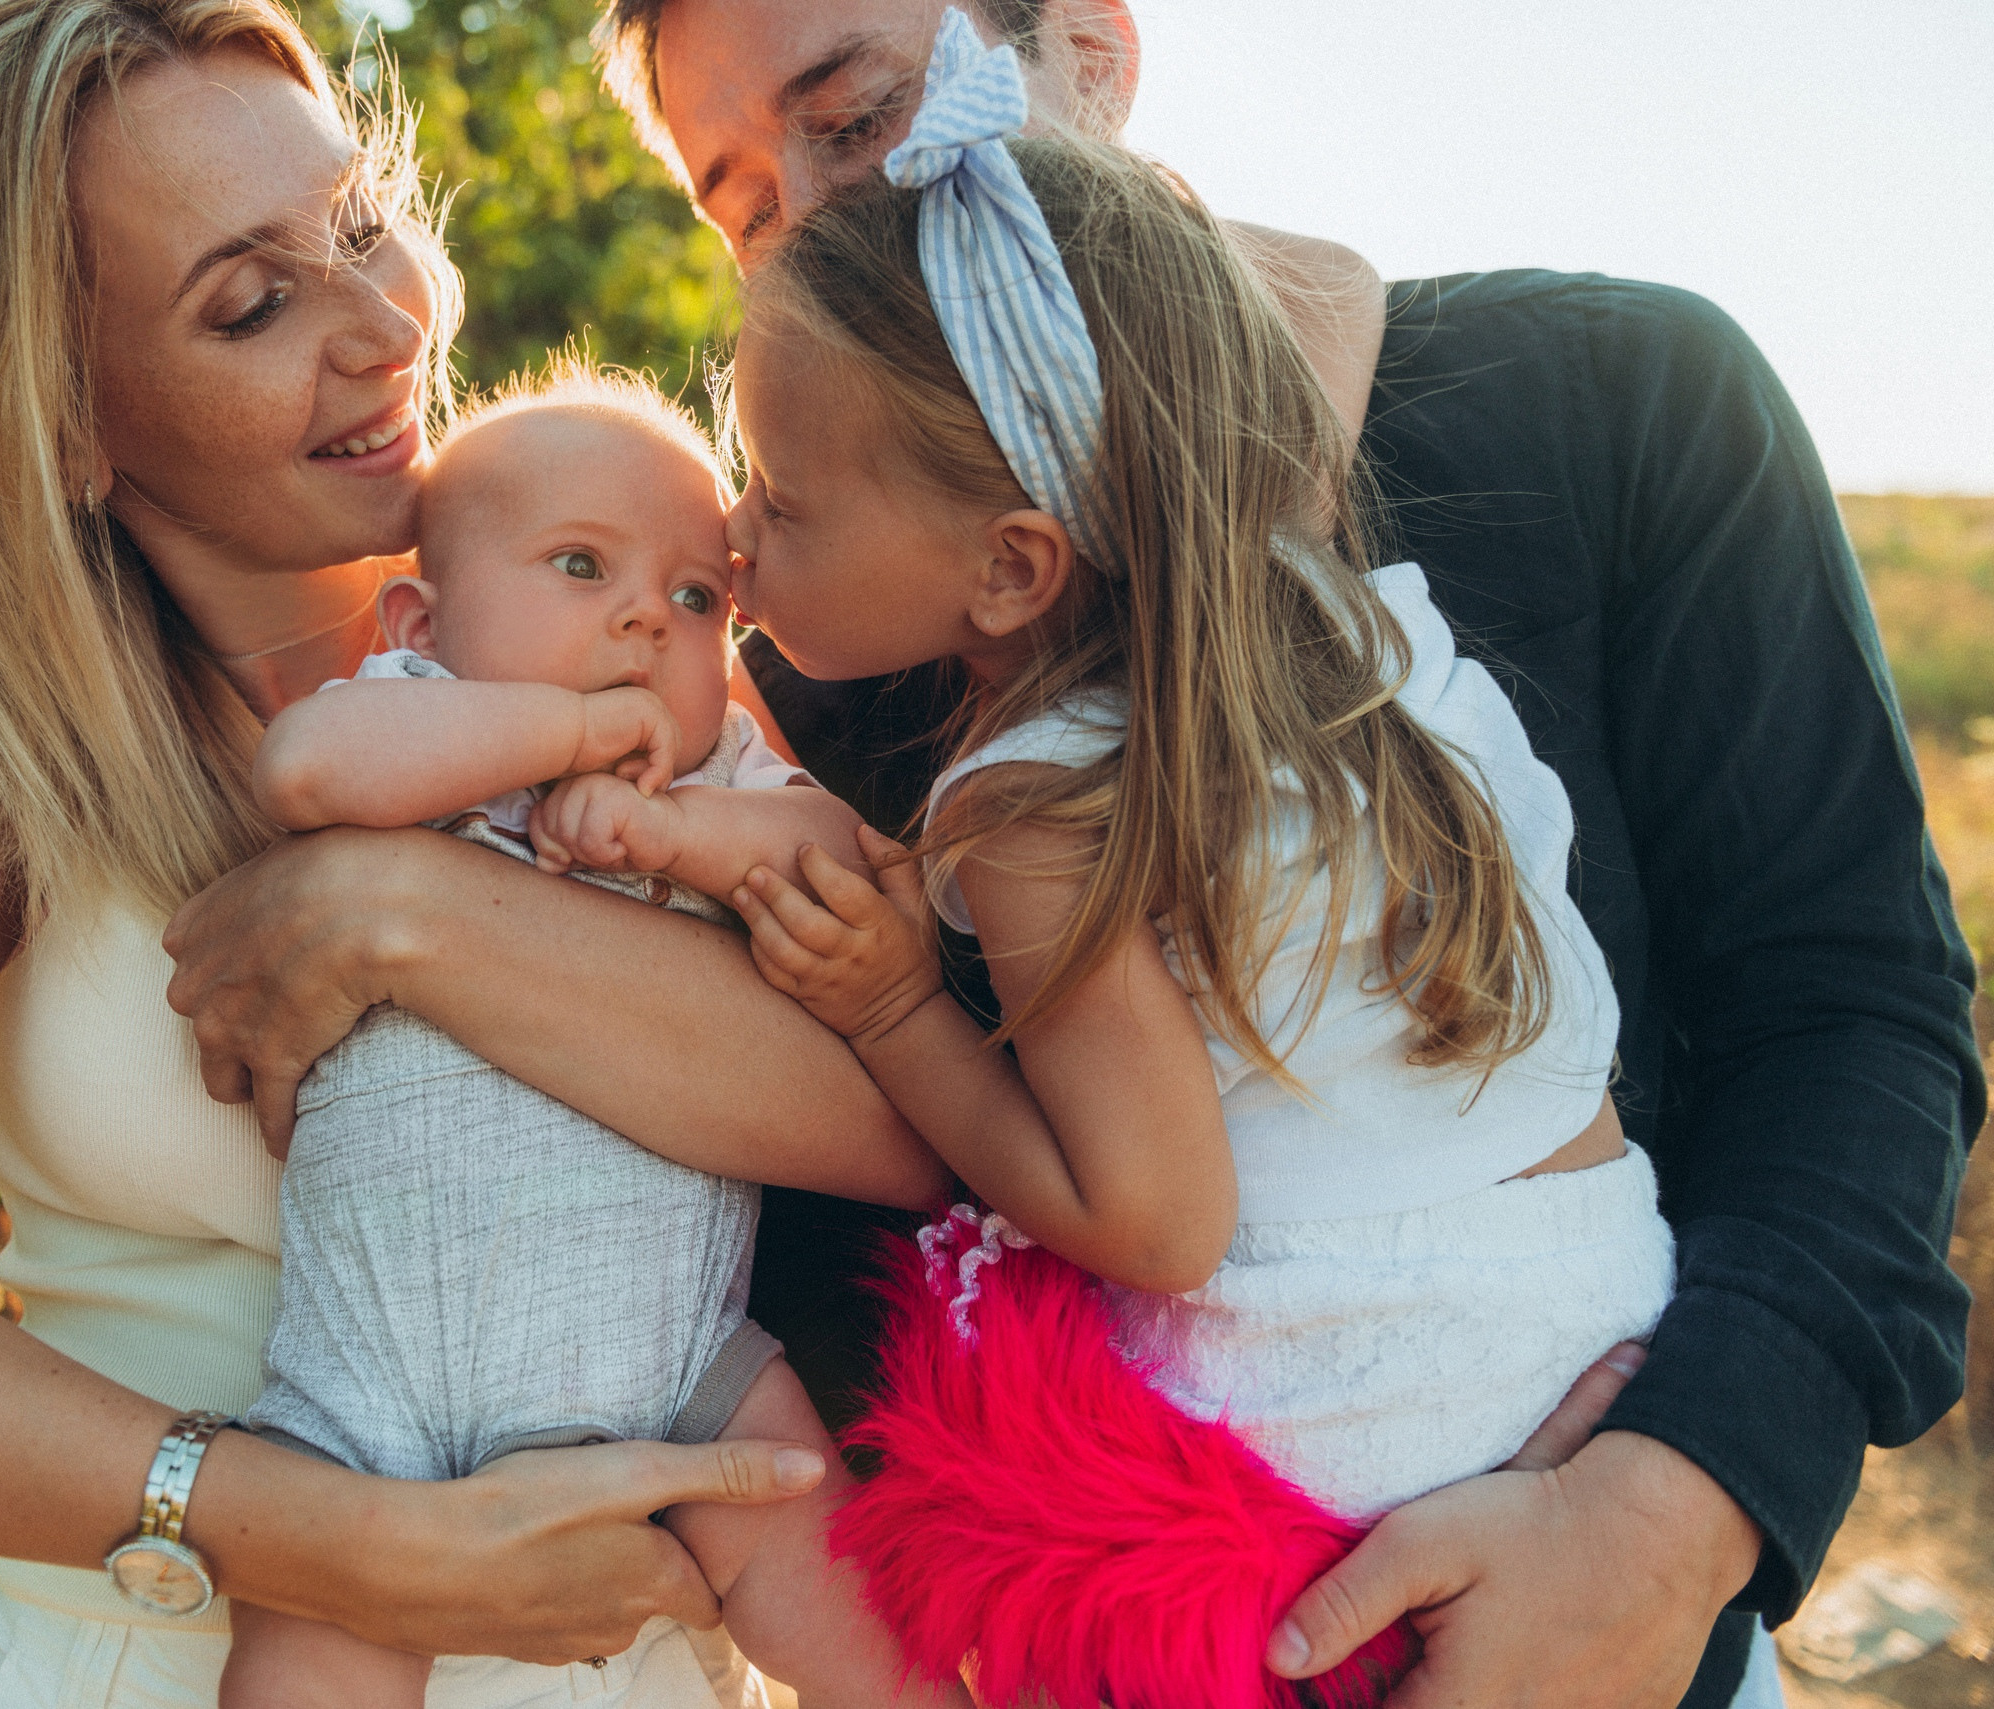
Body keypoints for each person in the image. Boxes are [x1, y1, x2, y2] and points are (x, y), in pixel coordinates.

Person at [550, 0, 1976, 1705]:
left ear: (1091, 48)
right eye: (747, 212)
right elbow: (799, 1233)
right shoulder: (841, 641)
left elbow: (1851, 1012)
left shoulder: (1623, 398)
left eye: (859, 121)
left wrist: (1672, 1513)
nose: (822, 226)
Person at [0, 3, 921, 1704]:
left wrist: (402, 909)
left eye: (360, 224)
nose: (388, 324)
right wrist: (327, 1542)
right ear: (62, 416)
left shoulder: (589, 607)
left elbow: (910, 1128)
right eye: (251, 304)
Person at [709, 24, 1678, 1702]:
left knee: (999, 1439)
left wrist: (890, 1011)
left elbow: (1153, 1220)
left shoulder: (1034, 802)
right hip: (1611, 1311)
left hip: (1373, 1412)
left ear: (1012, 569)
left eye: (780, 501)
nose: (734, 538)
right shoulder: (1354, 634)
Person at [221, 370, 954, 1708]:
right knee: (299, 1669)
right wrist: (565, 728)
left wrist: (680, 835)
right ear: (420, 621)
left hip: (682, 1368)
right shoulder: (408, 706)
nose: (646, 618)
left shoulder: (715, 773)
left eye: (697, 598)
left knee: (863, 1628)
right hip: (366, 1402)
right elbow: (305, 771)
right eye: (579, 566)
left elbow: (845, 856)